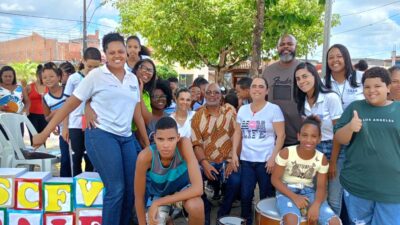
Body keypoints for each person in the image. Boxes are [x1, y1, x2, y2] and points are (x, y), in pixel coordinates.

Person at [33, 32, 150, 225]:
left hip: (126, 138)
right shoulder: (96, 76)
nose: (117, 55)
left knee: (132, 189)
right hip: (101, 135)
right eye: (112, 52)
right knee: (116, 188)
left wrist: (146, 143)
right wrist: (44, 133)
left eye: (121, 51)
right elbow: (70, 104)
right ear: (105, 54)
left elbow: (136, 113)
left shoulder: (132, 79)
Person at [334, 67, 400, 225]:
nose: (372, 91)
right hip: (357, 186)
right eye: (367, 87)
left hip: (392, 190)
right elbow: (339, 138)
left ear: (388, 87)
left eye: (377, 86)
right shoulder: (355, 108)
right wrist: (350, 127)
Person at [231, 77, 285, 225]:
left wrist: (273, 158)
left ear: (267, 90)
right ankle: (246, 221)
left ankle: (266, 222)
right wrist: (234, 153)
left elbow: (281, 135)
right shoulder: (242, 109)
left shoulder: (274, 109)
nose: (257, 89)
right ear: (250, 90)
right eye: (254, 86)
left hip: (266, 162)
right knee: (245, 195)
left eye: (261, 86)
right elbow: (237, 133)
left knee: (266, 196)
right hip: (247, 160)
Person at [293, 62, 344, 215]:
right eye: (298, 79)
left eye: (305, 76)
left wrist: (333, 162)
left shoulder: (330, 97)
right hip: (314, 150)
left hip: (335, 149)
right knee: (314, 194)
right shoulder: (302, 101)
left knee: (334, 198)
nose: (301, 81)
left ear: (314, 75)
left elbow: (339, 133)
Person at [271, 116, 341, 225]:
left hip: (309, 192)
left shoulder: (321, 159)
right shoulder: (287, 152)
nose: (309, 140)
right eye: (304, 135)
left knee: (334, 222)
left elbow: (321, 187)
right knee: (291, 221)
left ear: (319, 139)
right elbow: (275, 179)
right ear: (298, 136)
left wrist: (316, 205)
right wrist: (295, 197)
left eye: (313, 136)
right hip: (286, 191)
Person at [135, 117, 204, 225]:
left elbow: (198, 189)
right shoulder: (145, 157)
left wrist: (158, 203)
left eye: (171, 139)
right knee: (155, 220)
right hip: (159, 195)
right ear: (154, 138)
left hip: (182, 192)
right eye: (160, 139)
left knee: (197, 206)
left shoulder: (184, 144)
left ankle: (172, 217)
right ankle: (168, 219)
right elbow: (139, 198)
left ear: (178, 137)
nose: (165, 145)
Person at [191, 83, 241, 225]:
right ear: (204, 95)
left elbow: (238, 136)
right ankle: (205, 208)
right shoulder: (197, 115)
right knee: (193, 179)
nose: (212, 95)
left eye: (216, 93)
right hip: (206, 161)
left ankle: (223, 212)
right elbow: (196, 143)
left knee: (236, 180)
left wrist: (233, 160)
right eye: (209, 93)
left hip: (227, 160)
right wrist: (204, 164)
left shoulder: (230, 112)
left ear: (221, 96)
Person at [63, 47, 101, 176]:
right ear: (83, 61)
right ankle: (77, 185)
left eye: (96, 67)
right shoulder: (73, 78)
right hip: (75, 123)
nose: (92, 70)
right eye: (89, 66)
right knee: (76, 156)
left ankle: (89, 186)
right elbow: (66, 104)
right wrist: (65, 127)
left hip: (93, 123)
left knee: (91, 156)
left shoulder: (101, 78)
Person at [262, 34, 302, 147]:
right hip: (271, 137)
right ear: (277, 48)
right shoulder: (268, 71)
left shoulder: (305, 69)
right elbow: (262, 99)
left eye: (290, 44)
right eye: (282, 44)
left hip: (299, 136)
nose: (286, 47)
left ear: (296, 47)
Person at [41, 62, 70, 177]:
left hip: (76, 128)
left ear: (59, 77)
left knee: (81, 157)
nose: (48, 79)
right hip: (63, 133)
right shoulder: (46, 99)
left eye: (51, 76)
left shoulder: (68, 89)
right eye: (44, 77)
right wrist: (55, 113)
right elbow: (47, 118)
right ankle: (64, 183)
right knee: (65, 159)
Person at [324, 44, 364, 110]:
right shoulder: (322, 83)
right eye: (331, 57)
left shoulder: (361, 77)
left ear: (346, 58)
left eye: (339, 56)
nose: (335, 60)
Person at [26, 64, 48, 143]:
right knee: (34, 137)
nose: (42, 79)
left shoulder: (48, 86)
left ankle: (43, 154)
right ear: (37, 75)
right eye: (40, 77)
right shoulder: (29, 87)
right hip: (32, 115)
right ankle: (35, 154)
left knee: (43, 138)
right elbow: (23, 100)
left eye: (44, 77)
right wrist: (26, 109)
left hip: (45, 115)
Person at [147, 79, 173, 143]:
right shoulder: (145, 118)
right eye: (156, 96)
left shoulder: (171, 117)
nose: (160, 99)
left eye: (163, 96)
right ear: (149, 98)